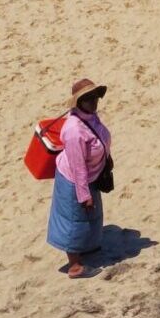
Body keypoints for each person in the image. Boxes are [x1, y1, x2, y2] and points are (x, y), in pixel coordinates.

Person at [47, 78, 112, 277]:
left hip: (91, 175)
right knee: (74, 219)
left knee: (91, 215)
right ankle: (74, 265)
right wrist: (84, 194)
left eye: (95, 97)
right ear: (78, 102)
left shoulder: (90, 117)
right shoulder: (74, 130)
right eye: (87, 98)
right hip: (74, 179)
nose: (93, 102)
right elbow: (78, 167)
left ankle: (88, 246)